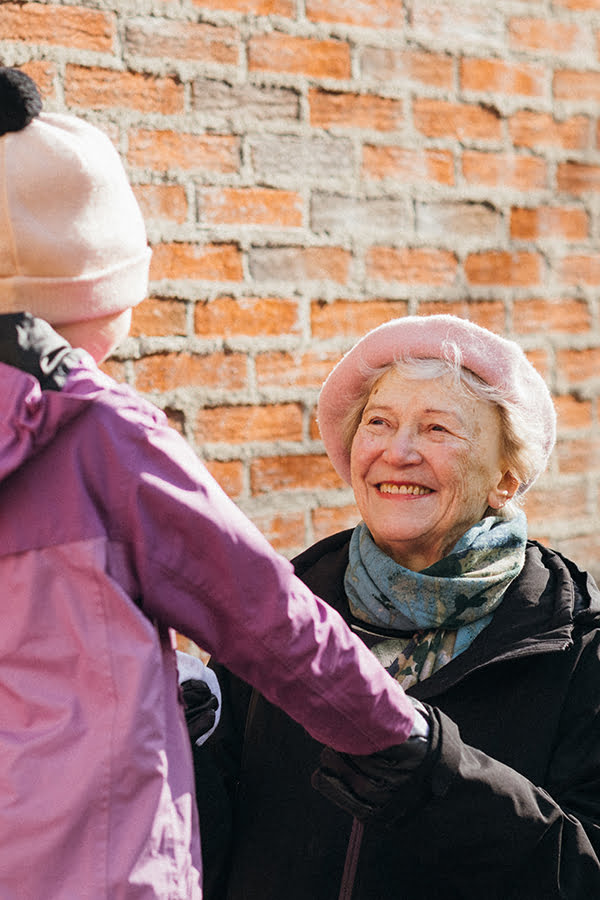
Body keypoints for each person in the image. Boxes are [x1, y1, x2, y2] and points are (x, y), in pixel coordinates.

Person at [0, 68, 422, 899]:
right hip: (99, 866)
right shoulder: (101, 436)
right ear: (97, 295)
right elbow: (263, 615)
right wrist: (394, 730)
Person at [195, 314, 600, 899]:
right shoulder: (278, 611)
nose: (398, 451)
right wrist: (175, 754)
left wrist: (447, 779)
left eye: (438, 429)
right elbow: (208, 846)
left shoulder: (572, 643)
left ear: (505, 480)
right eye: (379, 422)